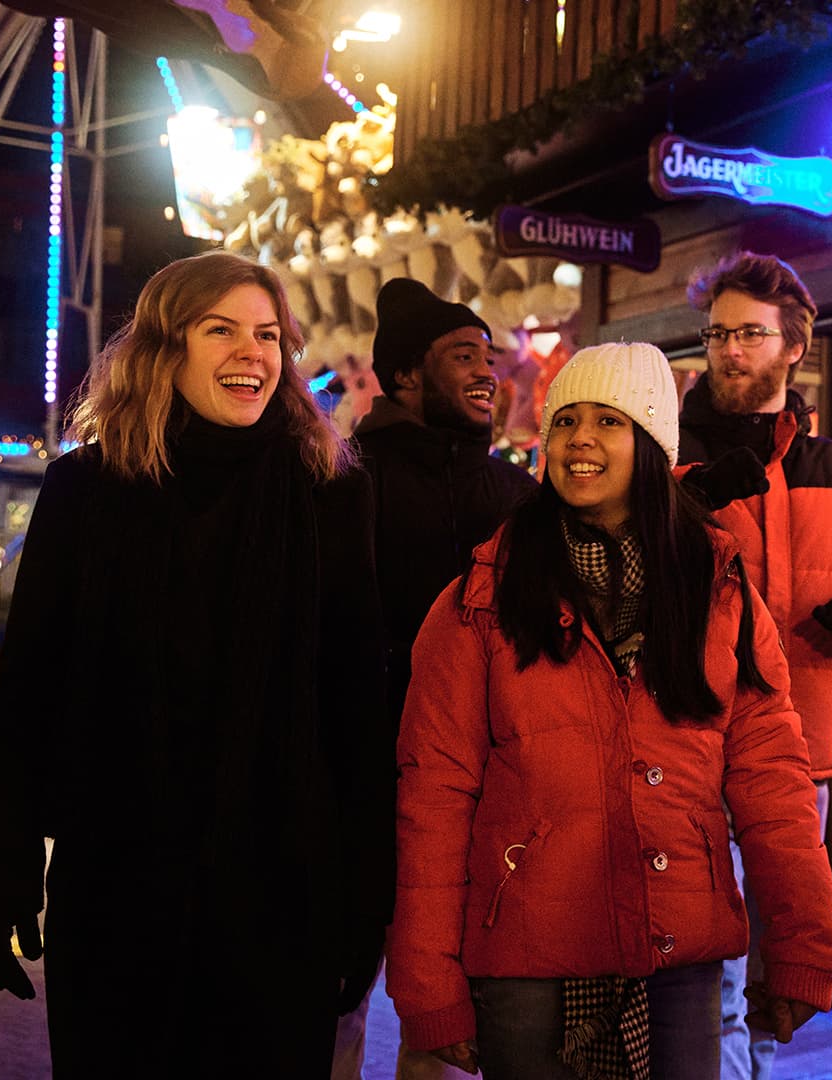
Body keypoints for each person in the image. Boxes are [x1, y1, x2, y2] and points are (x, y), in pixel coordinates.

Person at [0, 251, 391, 1075]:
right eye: (221, 330)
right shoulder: (86, 491)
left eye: (268, 335)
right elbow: (27, 694)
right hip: (122, 885)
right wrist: (2, 872)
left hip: (282, 893)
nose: (253, 353)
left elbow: (355, 713)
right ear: (167, 346)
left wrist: (364, 907)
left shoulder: (329, 494)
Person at [390, 343, 832, 1079]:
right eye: (565, 420)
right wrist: (427, 980)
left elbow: (774, 783)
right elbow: (432, 795)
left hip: (680, 949)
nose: (580, 439)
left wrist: (801, 944)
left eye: (609, 419)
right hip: (527, 953)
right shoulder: (481, 597)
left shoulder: (718, 590)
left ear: (654, 443)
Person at [680, 251, 832, 1080]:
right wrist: (698, 494)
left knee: (772, 961)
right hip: (689, 742)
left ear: (795, 344)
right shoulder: (666, 452)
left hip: (800, 753)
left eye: (750, 334)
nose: (729, 351)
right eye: (718, 334)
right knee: (703, 959)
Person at [334, 278, 536, 1080]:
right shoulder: (345, 484)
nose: (487, 371)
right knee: (338, 997)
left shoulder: (518, 498)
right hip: (357, 790)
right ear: (406, 377)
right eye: (463, 356)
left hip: (476, 797)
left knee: (453, 1015)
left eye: (489, 355)